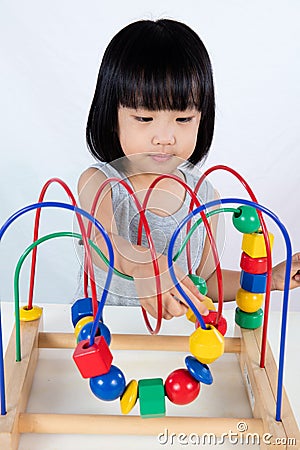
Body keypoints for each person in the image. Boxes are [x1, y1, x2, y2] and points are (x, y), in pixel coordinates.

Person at [75, 19, 300, 320]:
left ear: (201, 119)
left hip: (174, 349)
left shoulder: (205, 197)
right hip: (104, 338)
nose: (165, 137)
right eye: (144, 118)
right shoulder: (100, 183)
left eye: (183, 120)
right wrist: (146, 263)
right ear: (112, 116)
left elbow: (206, 282)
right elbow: (100, 242)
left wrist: (268, 279)